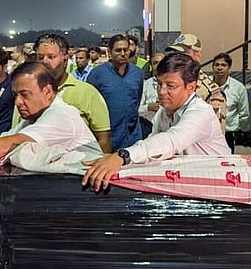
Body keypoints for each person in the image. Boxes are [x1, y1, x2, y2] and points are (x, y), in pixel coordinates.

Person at [83, 52, 232, 191]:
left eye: (170, 86)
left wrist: (123, 156)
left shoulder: (201, 113)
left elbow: (171, 140)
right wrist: (117, 159)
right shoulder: (165, 111)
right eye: (159, 84)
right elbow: (154, 144)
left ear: (191, 87)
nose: (161, 91)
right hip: (189, 181)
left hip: (218, 184)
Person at [35, 34, 112, 153]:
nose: (44, 61)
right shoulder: (29, 93)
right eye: (40, 57)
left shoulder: (87, 92)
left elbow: (103, 139)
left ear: (65, 59)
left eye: (51, 57)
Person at [87, 34, 144, 150]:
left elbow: (136, 100)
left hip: (133, 137)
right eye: (118, 50)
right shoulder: (97, 74)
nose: (123, 54)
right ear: (110, 52)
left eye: (126, 50)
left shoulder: (137, 73)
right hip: (108, 137)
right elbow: (90, 105)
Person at [165, 33, 227, 132]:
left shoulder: (210, 92)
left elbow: (216, 132)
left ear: (197, 56)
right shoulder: (168, 85)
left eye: (184, 54)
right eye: (175, 54)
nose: (178, 58)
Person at [211, 53, 250, 152]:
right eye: (217, 65)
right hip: (207, 133)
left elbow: (244, 112)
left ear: (229, 69)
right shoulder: (204, 85)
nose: (220, 68)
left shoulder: (238, 88)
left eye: (223, 65)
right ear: (212, 67)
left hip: (228, 134)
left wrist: (239, 130)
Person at [138, 51, 165, 138]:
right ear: (151, 66)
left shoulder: (174, 83)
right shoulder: (146, 84)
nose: (159, 65)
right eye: (155, 63)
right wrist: (148, 107)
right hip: (149, 127)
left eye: (161, 62)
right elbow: (137, 110)